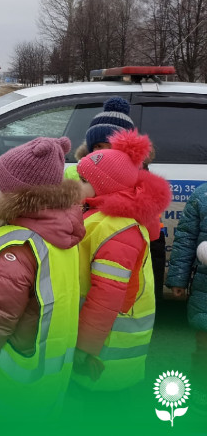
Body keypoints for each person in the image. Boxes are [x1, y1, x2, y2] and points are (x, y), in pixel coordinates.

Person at [0, 137, 86, 417]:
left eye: (3, 187)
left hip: (2, 381)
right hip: (43, 373)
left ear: (18, 195)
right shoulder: (62, 231)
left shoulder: (17, 246)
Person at [72, 129, 171, 392]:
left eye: (82, 180)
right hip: (102, 338)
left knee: (99, 411)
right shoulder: (102, 216)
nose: (76, 184)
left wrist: (84, 346)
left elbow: (107, 296)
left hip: (107, 348)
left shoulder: (115, 229)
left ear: (104, 186)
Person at [68, 96, 168, 301]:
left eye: (110, 145)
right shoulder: (76, 172)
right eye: (97, 146)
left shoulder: (140, 183)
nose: (103, 152)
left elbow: (149, 238)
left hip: (127, 268)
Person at [165, 183, 207, 411]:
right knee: (204, 350)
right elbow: (186, 238)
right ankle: (201, 395)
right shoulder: (202, 196)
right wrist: (178, 279)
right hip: (205, 289)